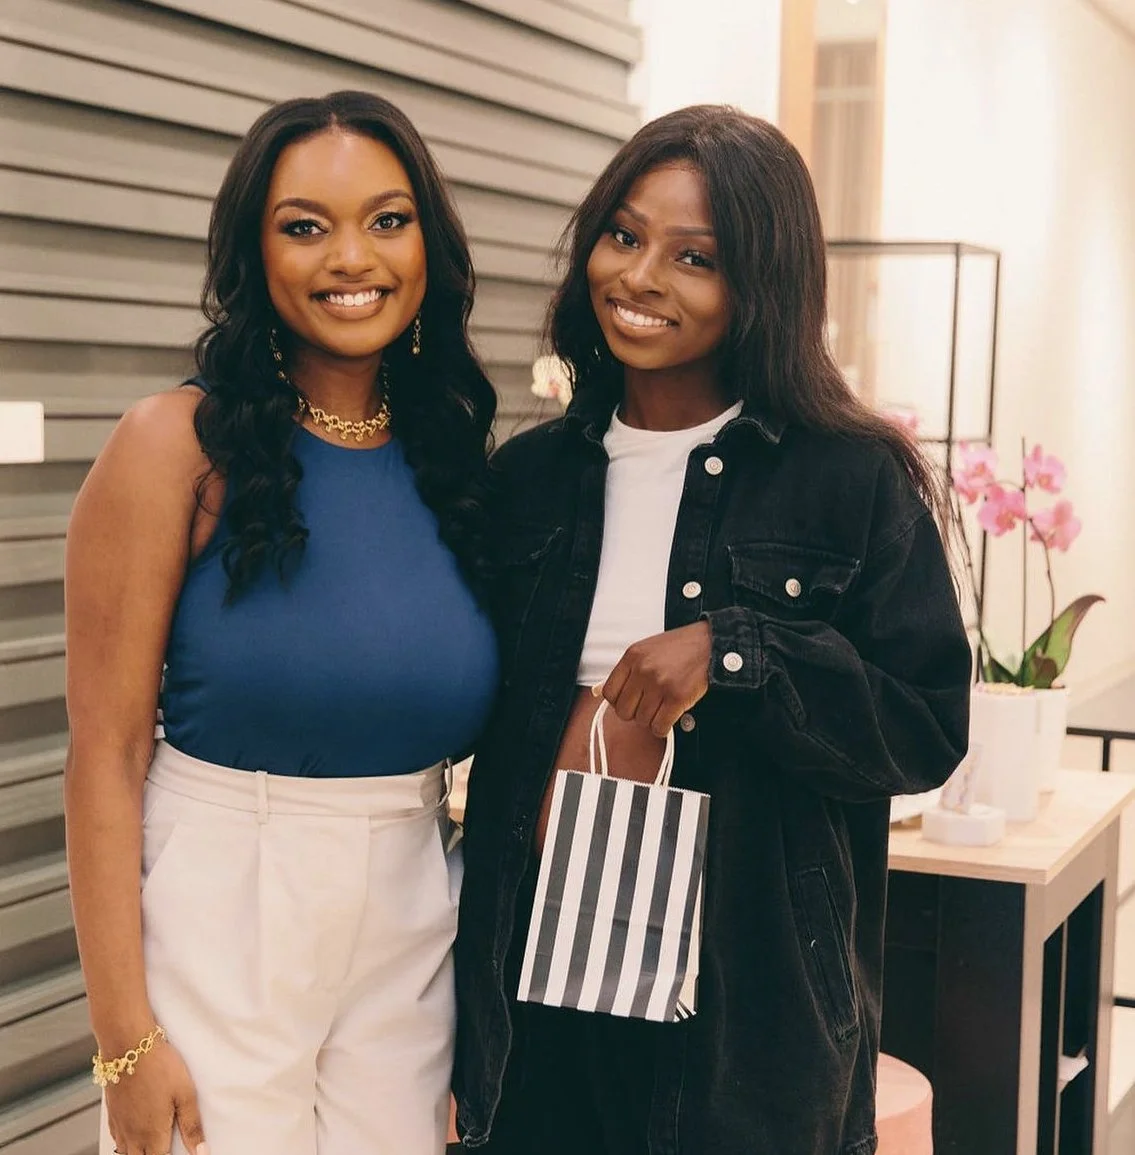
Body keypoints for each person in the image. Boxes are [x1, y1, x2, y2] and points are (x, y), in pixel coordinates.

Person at [454, 106, 972, 1155]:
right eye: (623, 235)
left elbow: (924, 727)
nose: (641, 278)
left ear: (760, 287)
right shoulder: (531, 480)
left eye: (696, 257)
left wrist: (738, 651)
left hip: (747, 1017)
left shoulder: (847, 478)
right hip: (540, 978)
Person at [64, 90, 498, 1155]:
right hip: (223, 896)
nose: (353, 257)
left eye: (387, 221)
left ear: (428, 244)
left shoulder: (454, 460)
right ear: (253, 256)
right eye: (305, 226)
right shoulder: (172, 446)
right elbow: (104, 755)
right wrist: (123, 1040)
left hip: (410, 902)